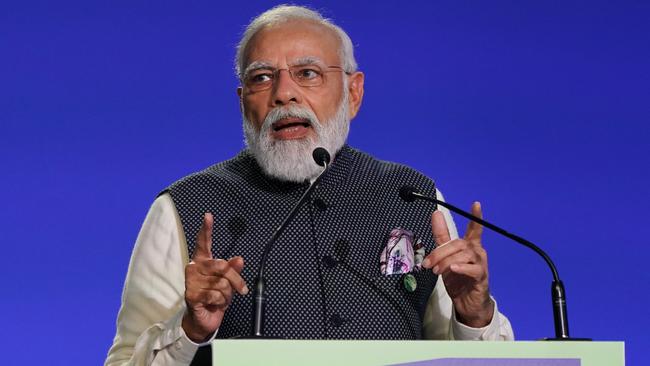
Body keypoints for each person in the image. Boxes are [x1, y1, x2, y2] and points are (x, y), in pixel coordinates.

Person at [105, 5, 514, 366]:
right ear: (242, 101)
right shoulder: (186, 206)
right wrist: (191, 329)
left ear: (353, 94)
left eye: (308, 74)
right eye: (262, 78)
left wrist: (473, 315)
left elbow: (465, 358)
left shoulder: (413, 197)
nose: (284, 94)